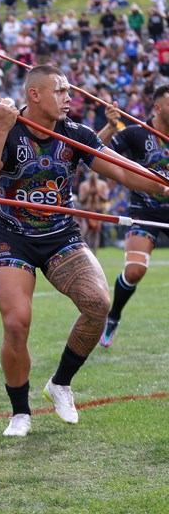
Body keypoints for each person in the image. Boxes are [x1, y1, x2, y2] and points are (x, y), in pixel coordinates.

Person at [0, 65, 169, 438]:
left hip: (62, 236)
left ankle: (60, 383)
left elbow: (123, 171)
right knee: (15, 324)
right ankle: (20, 412)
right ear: (35, 95)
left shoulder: (77, 133)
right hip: (15, 237)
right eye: (60, 90)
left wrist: (164, 186)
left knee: (98, 305)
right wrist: (2, 127)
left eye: (68, 90)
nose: (68, 97)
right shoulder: (4, 129)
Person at [98, 87, 169, 347]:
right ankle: (113, 317)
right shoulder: (136, 132)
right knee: (135, 270)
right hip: (145, 209)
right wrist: (109, 125)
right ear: (158, 109)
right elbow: (93, 149)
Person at [76, 170, 109, 254]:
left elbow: (105, 199)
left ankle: (95, 254)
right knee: (85, 232)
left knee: (96, 233)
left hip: (98, 211)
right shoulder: (84, 184)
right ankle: (86, 252)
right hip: (86, 211)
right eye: (90, 171)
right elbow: (81, 200)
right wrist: (88, 194)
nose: (93, 173)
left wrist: (98, 193)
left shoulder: (102, 184)